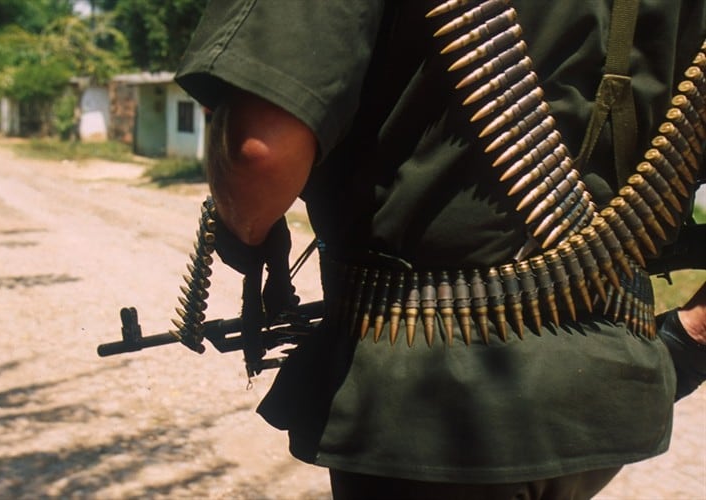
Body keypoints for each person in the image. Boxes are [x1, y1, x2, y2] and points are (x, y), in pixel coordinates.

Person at [175, 1, 706, 498]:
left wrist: (243, 230)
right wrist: (688, 342)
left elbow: (259, 155)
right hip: (610, 402)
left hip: (429, 412)